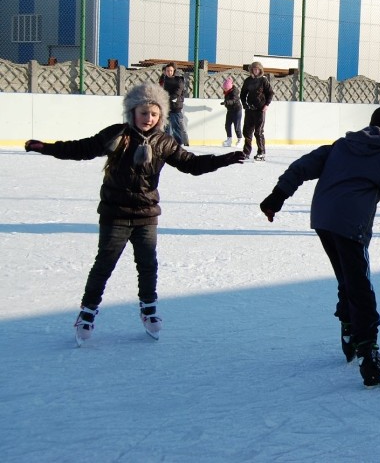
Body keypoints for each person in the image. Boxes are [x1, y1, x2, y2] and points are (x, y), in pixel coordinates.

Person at [23, 83, 245, 346]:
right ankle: (87, 313)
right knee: (104, 264)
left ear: (160, 116)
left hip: (146, 214)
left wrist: (225, 159)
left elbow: (192, 165)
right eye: (143, 113)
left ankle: (149, 310)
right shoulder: (117, 136)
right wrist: (47, 148)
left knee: (148, 264)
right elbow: (81, 149)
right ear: (132, 112)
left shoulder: (165, 143)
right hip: (115, 213)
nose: (148, 119)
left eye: (153, 114)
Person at [259, 105, 380, 388]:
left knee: (348, 279)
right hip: (351, 228)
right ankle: (369, 356)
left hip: (323, 221)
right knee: (360, 286)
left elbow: (302, 166)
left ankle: (349, 330)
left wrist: (278, 195)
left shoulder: (342, 145)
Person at [240, 61, 273, 161]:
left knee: (258, 132)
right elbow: (243, 94)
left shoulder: (263, 80)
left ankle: (261, 152)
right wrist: (245, 105)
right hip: (250, 110)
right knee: (247, 132)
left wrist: (266, 104)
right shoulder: (248, 81)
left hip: (260, 109)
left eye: (258, 69)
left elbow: (270, 93)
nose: (256, 71)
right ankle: (246, 152)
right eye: (254, 69)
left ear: (260, 70)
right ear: (251, 70)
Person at [158, 62, 189, 146]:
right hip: (167, 107)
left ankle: (181, 144)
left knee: (178, 127)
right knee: (166, 127)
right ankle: (167, 144)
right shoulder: (163, 80)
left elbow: (177, 93)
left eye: (171, 71)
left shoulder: (179, 80)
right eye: (167, 71)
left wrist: (167, 98)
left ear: (174, 71)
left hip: (176, 108)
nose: (169, 72)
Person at [221, 76, 243, 148]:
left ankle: (240, 140)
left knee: (237, 126)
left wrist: (226, 102)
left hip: (237, 110)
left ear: (229, 87)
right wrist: (226, 103)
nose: (224, 89)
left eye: (225, 88)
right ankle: (229, 140)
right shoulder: (227, 92)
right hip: (230, 110)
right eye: (224, 88)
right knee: (227, 125)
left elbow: (233, 100)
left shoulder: (234, 92)